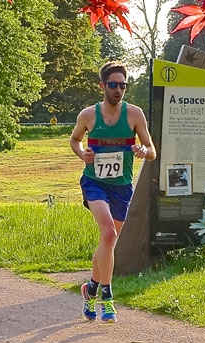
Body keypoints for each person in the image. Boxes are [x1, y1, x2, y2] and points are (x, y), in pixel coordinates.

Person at [69, 61, 157, 323]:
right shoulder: (88, 115)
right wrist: (81, 153)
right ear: (102, 86)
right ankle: (107, 298)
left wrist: (144, 152)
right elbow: (75, 140)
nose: (118, 89)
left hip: (122, 186)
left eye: (123, 85)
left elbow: (152, 150)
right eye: (113, 85)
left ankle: (91, 288)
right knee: (108, 231)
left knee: (109, 240)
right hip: (94, 182)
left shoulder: (134, 115)